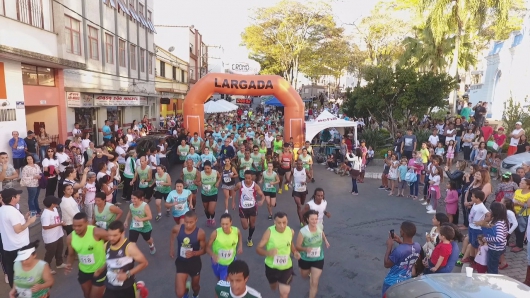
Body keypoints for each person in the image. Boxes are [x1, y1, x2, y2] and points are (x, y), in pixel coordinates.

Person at [256, 212, 300, 298]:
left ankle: (281, 285)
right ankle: (275, 282)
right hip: (271, 267)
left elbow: (290, 243)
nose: (282, 225)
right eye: (279, 223)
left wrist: (294, 252)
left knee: (284, 293)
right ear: (274, 222)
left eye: (284, 222)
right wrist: (268, 253)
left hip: (286, 267)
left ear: (287, 221)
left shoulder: (290, 231)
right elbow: (258, 248)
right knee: (273, 286)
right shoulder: (269, 232)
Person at [100, 220, 149, 298]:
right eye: (109, 235)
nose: (111, 238)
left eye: (115, 235)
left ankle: (139, 291)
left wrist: (127, 274)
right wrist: (101, 269)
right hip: (110, 285)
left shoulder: (129, 247)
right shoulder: (106, 245)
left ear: (122, 233)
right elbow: (109, 261)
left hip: (126, 286)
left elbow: (144, 263)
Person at [64, 212, 108, 298]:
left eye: (80, 226)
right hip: (84, 271)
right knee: (87, 295)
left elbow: (114, 240)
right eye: (74, 226)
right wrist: (69, 264)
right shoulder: (70, 238)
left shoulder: (97, 232)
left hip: (100, 270)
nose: (76, 228)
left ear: (87, 223)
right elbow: (71, 254)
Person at [0, 188, 36, 286]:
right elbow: (18, 229)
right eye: (18, 195)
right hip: (19, 247)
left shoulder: (2, 209)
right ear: (13, 198)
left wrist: (24, 218)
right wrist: (30, 221)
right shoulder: (12, 211)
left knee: (12, 272)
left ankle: (15, 291)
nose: (20, 196)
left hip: (8, 247)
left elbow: (11, 224)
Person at [169, 211, 206, 298]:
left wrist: (194, 253)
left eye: (191, 222)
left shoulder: (200, 233)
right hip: (182, 262)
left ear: (196, 220)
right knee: (179, 293)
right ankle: (185, 293)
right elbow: (172, 235)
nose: (188, 225)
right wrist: (171, 248)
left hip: (194, 263)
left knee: (195, 286)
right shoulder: (177, 229)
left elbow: (204, 250)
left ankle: (195, 294)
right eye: (186, 222)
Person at [295, 210, 330, 298]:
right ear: (307, 219)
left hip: (318, 258)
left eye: (316, 219)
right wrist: (305, 249)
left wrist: (325, 241)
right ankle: (308, 271)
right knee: (304, 275)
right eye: (312, 219)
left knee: (314, 282)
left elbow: (321, 232)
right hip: (305, 259)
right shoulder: (303, 232)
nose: (315, 221)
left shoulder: (320, 226)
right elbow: (297, 247)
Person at [382, 221, 421, 295]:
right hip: (406, 280)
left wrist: (389, 246)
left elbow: (386, 264)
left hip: (392, 283)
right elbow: (408, 250)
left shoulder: (399, 250)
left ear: (402, 233)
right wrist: (400, 241)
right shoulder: (417, 246)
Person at [206, 213, 243, 281]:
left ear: (231, 222)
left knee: (227, 284)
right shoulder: (215, 233)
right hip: (218, 264)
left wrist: (240, 246)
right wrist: (213, 255)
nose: (224, 226)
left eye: (226, 224)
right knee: (220, 281)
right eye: (222, 224)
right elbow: (207, 247)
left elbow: (240, 236)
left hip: (231, 262)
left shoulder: (236, 231)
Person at [233, 170, 265, 247]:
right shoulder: (240, 184)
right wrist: (233, 202)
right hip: (243, 208)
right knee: (245, 227)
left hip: (253, 207)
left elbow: (262, 195)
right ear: (244, 177)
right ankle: (246, 220)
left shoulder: (255, 186)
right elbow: (234, 191)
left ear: (252, 178)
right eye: (246, 178)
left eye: (249, 178)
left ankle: (249, 238)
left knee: (252, 225)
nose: (247, 180)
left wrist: (262, 201)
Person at [124, 190, 156, 254]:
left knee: (148, 240)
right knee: (132, 242)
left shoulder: (145, 206)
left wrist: (140, 219)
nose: (132, 200)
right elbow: (130, 212)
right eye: (132, 198)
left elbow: (150, 217)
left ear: (140, 199)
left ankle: (151, 245)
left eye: (134, 198)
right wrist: (126, 220)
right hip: (134, 226)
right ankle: (133, 255)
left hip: (145, 226)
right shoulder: (131, 205)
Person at [41, 196, 67, 274]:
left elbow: (56, 220)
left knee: (59, 249)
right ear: (52, 204)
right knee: (50, 253)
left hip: (58, 235)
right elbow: (45, 226)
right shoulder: (46, 214)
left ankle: (59, 263)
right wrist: (59, 224)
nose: (58, 203)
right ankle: (46, 268)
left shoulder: (54, 209)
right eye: (56, 202)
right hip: (50, 238)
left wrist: (61, 222)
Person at [197, 160, 220, 227]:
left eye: (208, 168)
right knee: (206, 209)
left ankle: (212, 218)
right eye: (205, 169)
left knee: (211, 210)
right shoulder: (201, 173)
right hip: (204, 194)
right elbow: (197, 181)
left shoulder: (215, 172)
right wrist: (199, 183)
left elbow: (219, 177)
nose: (206, 170)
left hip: (213, 192)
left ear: (211, 167)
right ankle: (208, 218)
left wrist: (218, 182)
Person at [291, 159, 312, 227]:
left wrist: (305, 182)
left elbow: (310, 178)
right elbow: (289, 177)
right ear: (296, 164)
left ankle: (303, 217)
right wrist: (288, 182)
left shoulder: (305, 170)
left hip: (303, 190)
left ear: (302, 164)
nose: (299, 165)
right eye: (298, 164)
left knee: (302, 203)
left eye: (301, 164)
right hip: (296, 190)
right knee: (299, 205)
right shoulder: (293, 170)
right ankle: (301, 221)